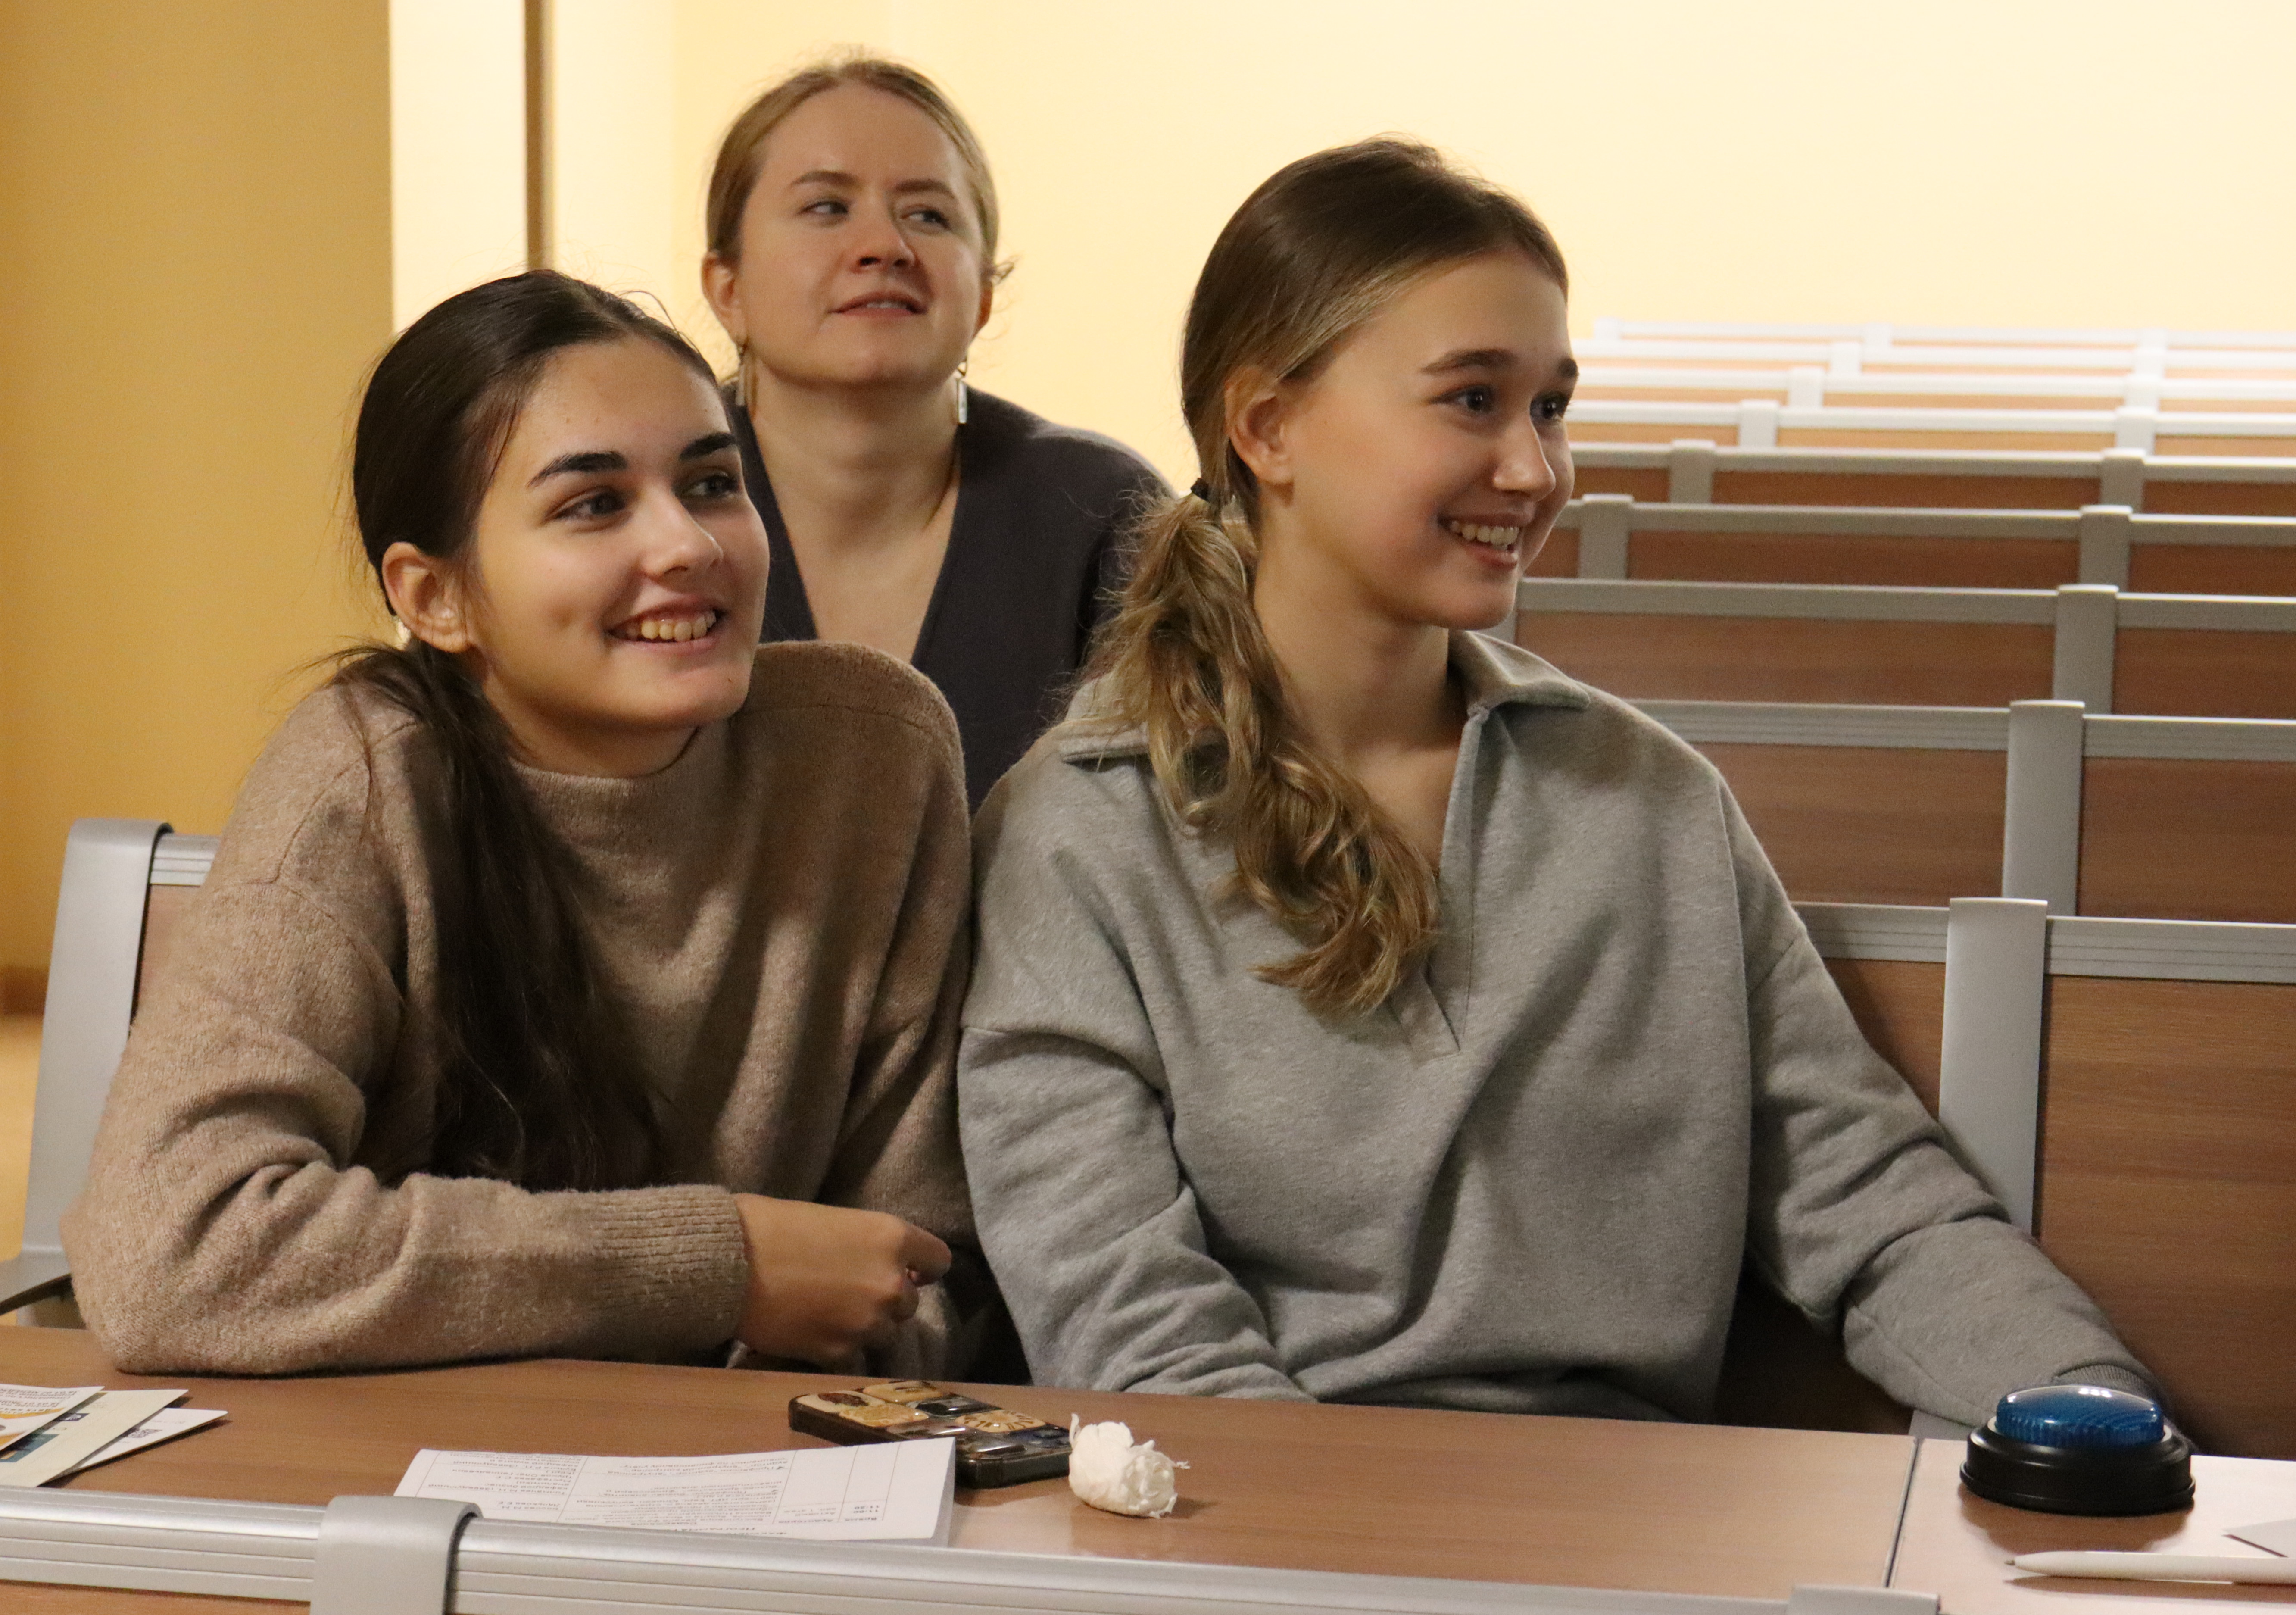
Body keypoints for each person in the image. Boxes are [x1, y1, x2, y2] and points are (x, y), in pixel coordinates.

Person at [957, 141, 2156, 1426]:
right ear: (1267, 428)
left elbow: (1871, 1202)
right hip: (1275, 1513)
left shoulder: (1647, 798)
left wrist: (2096, 1413)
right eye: (1473, 400)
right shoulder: (1080, 828)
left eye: (1551, 408)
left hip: (1630, 1506)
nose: (1535, 471)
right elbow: (1132, 1329)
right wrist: (1358, 1547)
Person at [64, 272, 976, 1377]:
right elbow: (170, 1251)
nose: (689, 544)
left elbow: (920, 1267)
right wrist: (717, 1264)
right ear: (433, 597)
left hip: (771, 1452)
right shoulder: (362, 778)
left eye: (712, 482)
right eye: (594, 504)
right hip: (411, 1448)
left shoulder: (873, 752)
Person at [699, 55, 1168, 807]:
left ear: (982, 296)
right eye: (827, 207)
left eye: (928, 215)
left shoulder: (1102, 513)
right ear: (728, 290)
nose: (884, 246)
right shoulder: (651, 506)